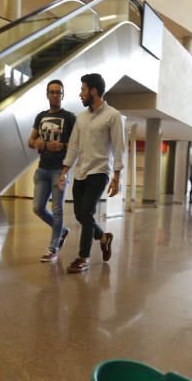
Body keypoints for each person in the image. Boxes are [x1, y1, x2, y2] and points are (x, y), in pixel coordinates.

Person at [58, 73, 125, 274]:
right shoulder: (81, 118)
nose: (81, 94)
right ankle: (104, 238)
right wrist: (65, 171)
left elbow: (119, 148)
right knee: (80, 214)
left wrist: (116, 177)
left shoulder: (113, 116)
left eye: (83, 89)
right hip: (81, 172)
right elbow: (73, 146)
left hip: (99, 171)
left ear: (93, 91)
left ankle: (83, 257)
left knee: (86, 212)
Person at [28, 79, 76, 262]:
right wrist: (37, 143)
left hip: (59, 170)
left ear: (63, 95)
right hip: (42, 170)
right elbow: (30, 141)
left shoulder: (70, 118)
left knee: (57, 210)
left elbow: (77, 144)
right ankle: (62, 230)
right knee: (38, 208)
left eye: (58, 92)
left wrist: (62, 145)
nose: (55, 95)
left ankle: (53, 248)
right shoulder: (40, 116)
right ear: (47, 94)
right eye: (52, 92)